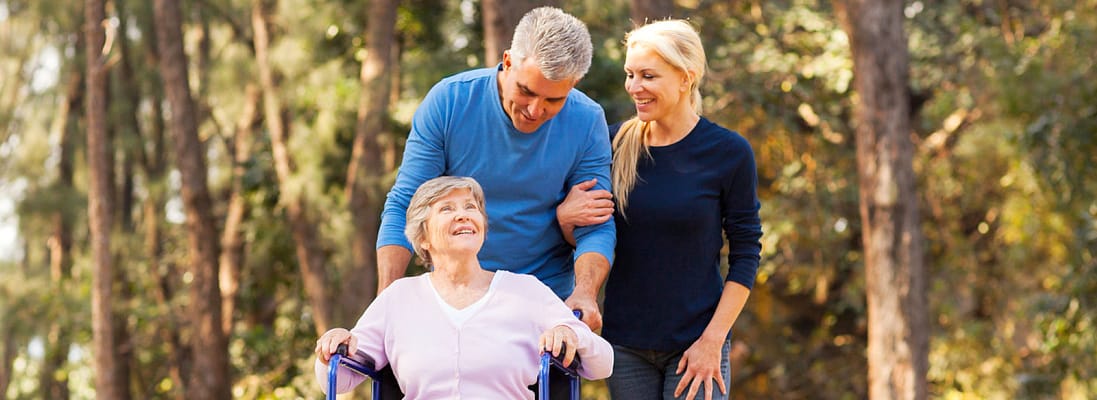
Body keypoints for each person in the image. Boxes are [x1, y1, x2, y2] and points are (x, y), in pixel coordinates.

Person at [558, 20, 763, 400]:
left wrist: (713, 341)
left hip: (697, 344)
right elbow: (588, 234)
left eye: (648, 76)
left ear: (686, 78)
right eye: (630, 74)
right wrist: (566, 217)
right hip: (625, 346)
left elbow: (746, 254)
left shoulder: (728, 153)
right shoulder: (612, 142)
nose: (634, 87)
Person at [375, 6, 614, 330]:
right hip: (454, 303)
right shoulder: (449, 102)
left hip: (544, 307)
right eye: (526, 91)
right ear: (508, 61)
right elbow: (405, 203)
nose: (534, 110)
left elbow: (595, 224)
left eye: (553, 101)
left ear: (574, 84)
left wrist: (585, 293)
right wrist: (386, 300)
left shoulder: (586, 120)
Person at [316, 176, 613, 398]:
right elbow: (337, 380)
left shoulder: (524, 291)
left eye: (470, 207)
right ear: (423, 238)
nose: (463, 214)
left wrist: (572, 334)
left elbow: (603, 364)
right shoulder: (399, 298)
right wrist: (333, 345)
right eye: (447, 208)